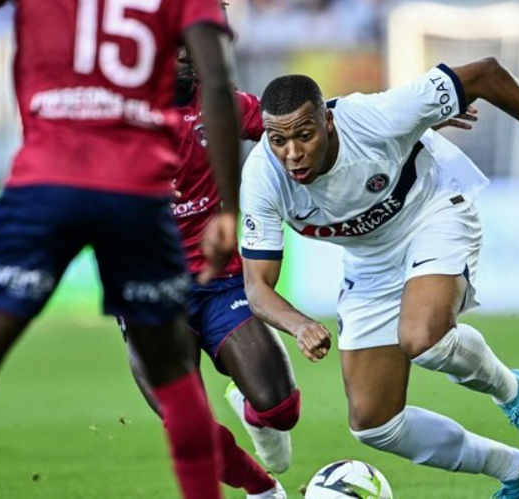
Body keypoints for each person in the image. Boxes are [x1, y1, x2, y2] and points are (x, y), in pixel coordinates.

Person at [0, 0, 243, 498]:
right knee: (174, 374)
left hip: (46, 185)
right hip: (137, 191)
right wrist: (228, 210)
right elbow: (217, 77)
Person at [239, 59, 519, 498]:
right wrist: (300, 324)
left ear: (328, 120)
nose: (292, 153)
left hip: (432, 210)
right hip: (368, 259)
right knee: (374, 424)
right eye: (278, 140)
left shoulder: (375, 117)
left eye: (304, 135)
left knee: (424, 339)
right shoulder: (263, 177)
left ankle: (514, 391)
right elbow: (257, 287)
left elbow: (486, 74)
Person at [121, 49, 295, 498]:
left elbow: (292, 120)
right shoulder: (120, 109)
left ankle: (252, 410)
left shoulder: (219, 103)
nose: (185, 54)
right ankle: (263, 491)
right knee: (186, 426)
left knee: (282, 409)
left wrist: (403, 126)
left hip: (219, 283)